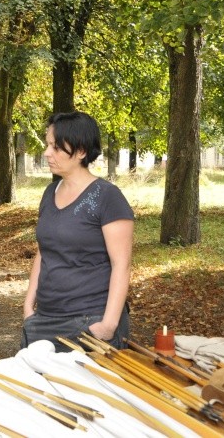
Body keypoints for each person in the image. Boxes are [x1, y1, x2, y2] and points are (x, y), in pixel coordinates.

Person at [21, 111, 134, 352]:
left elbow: (121, 265)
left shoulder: (107, 197)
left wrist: (108, 325)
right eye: (47, 144)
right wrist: (29, 306)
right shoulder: (49, 193)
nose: (47, 153)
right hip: (44, 320)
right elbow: (44, 252)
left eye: (56, 147)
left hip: (89, 321)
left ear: (81, 151)